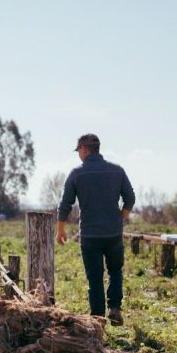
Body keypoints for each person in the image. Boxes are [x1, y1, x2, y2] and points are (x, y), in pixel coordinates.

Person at [55, 133, 135, 325]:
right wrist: (119, 217)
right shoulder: (117, 171)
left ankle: (98, 320)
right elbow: (130, 198)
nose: (78, 155)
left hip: (90, 235)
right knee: (115, 271)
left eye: (78, 151)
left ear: (83, 149)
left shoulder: (77, 174)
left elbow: (65, 204)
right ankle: (114, 308)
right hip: (113, 233)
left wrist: (61, 230)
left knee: (95, 278)